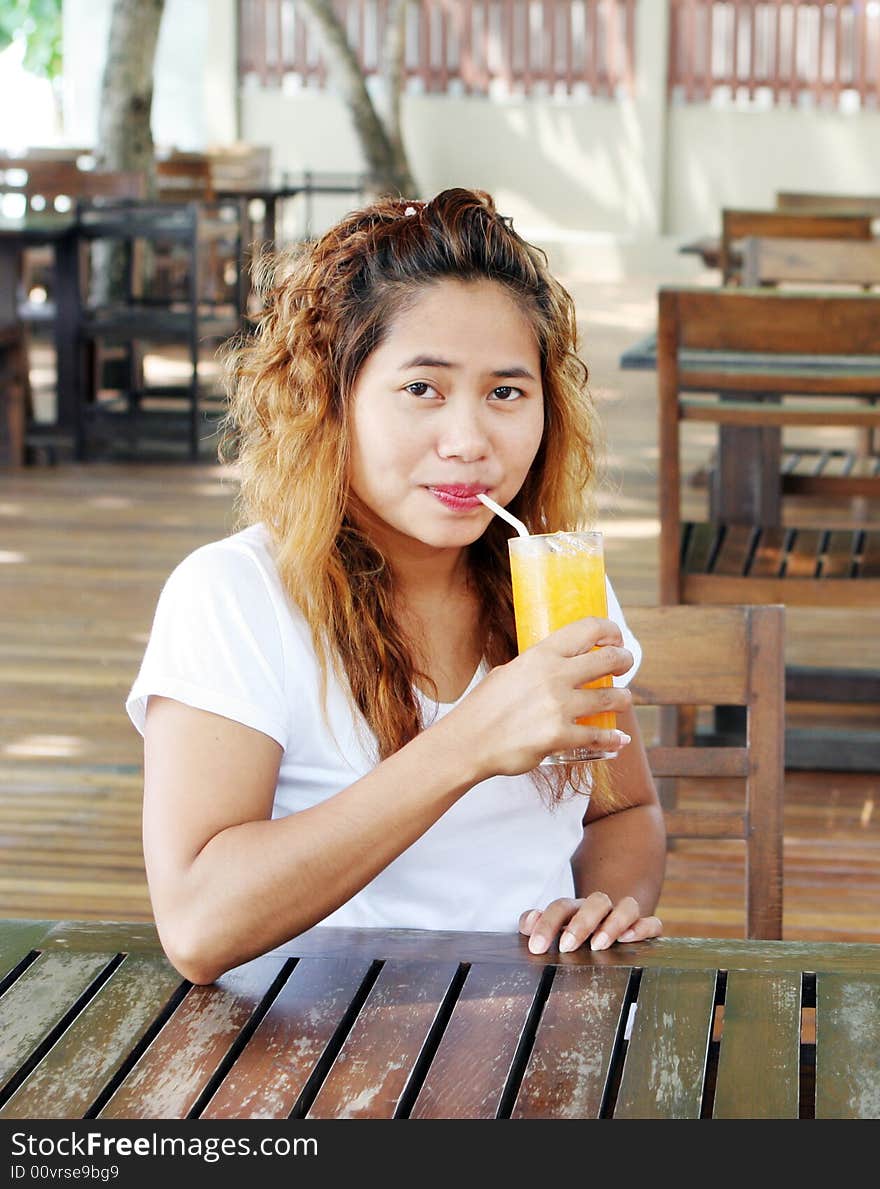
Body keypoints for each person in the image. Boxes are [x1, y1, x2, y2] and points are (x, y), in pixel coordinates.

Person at [126, 187, 666, 986]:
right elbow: (199, 925)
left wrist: (603, 906)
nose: (468, 441)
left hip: (538, 1046)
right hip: (312, 1058)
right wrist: (466, 744)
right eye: (423, 388)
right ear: (332, 399)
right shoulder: (233, 596)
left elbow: (625, 811)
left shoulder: (554, 585)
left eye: (506, 392)